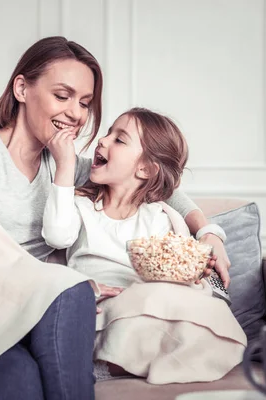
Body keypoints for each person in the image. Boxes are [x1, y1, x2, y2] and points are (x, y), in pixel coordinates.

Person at [0, 36, 230, 399]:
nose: (76, 113)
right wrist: (48, 284)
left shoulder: (66, 167)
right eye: (63, 96)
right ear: (22, 88)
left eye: (85, 102)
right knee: (22, 373)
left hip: (28, 315)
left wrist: (210, 233)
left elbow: (159, 182)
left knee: (70, 296)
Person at [41, 107, 245, 383]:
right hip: (102, 306)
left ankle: (137, 361)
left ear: (145, 168)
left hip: (146, 307)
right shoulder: (82, 207)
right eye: (109, 132)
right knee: (135, 302)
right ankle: (109, 363)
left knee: (173, 301)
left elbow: (174, 271)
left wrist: (200, 253)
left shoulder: (159, 216)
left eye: (119, 139)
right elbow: (57, 236)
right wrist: (64, 166)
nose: (103, 140)